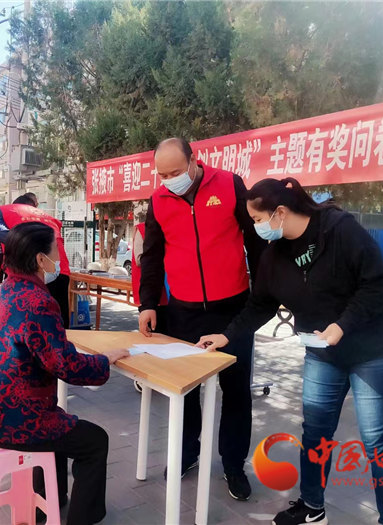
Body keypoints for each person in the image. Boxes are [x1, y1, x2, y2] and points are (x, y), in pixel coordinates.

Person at [198, 177, 383, 525]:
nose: (256, 227)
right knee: (315, 432)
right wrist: (226, 335)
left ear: (279, 212)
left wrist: (342, 325)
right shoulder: (274, 256)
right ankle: (313, 507)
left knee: (379, 443)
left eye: (257, 219)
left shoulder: (339, 229)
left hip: (374, 349)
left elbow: (375, 285)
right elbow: (260, 305)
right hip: (323, 353)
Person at [0, 222, 128, 525]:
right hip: (13, 419)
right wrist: (103, 362)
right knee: (95, 441)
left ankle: (48, 503)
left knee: (60, 424)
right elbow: (66, 365)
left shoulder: (5, 291)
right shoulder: (39, 302)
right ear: (40, 259)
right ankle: (82, 518)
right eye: (56, 252)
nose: (59, 258)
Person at [138, 137, 267, 500]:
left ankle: (233, 464)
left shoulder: (229, 185)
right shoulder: (158, 200)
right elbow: (152, 256)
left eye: (176, 172)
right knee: (186, 389)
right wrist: (148, 303)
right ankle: (187, 453)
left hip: (232, 308)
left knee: (236, 390)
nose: (170, 180)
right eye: (163, 175)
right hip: (184, 310)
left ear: (194, 160)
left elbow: (256, 242)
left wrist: (262, 295)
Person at [0, 194, 72, 327]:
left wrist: (26, 244)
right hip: (58, 269)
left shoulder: (2, 211)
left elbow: (0, 233)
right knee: (58, 321)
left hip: (28, 271)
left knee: (24, 321)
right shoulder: (47, 216)